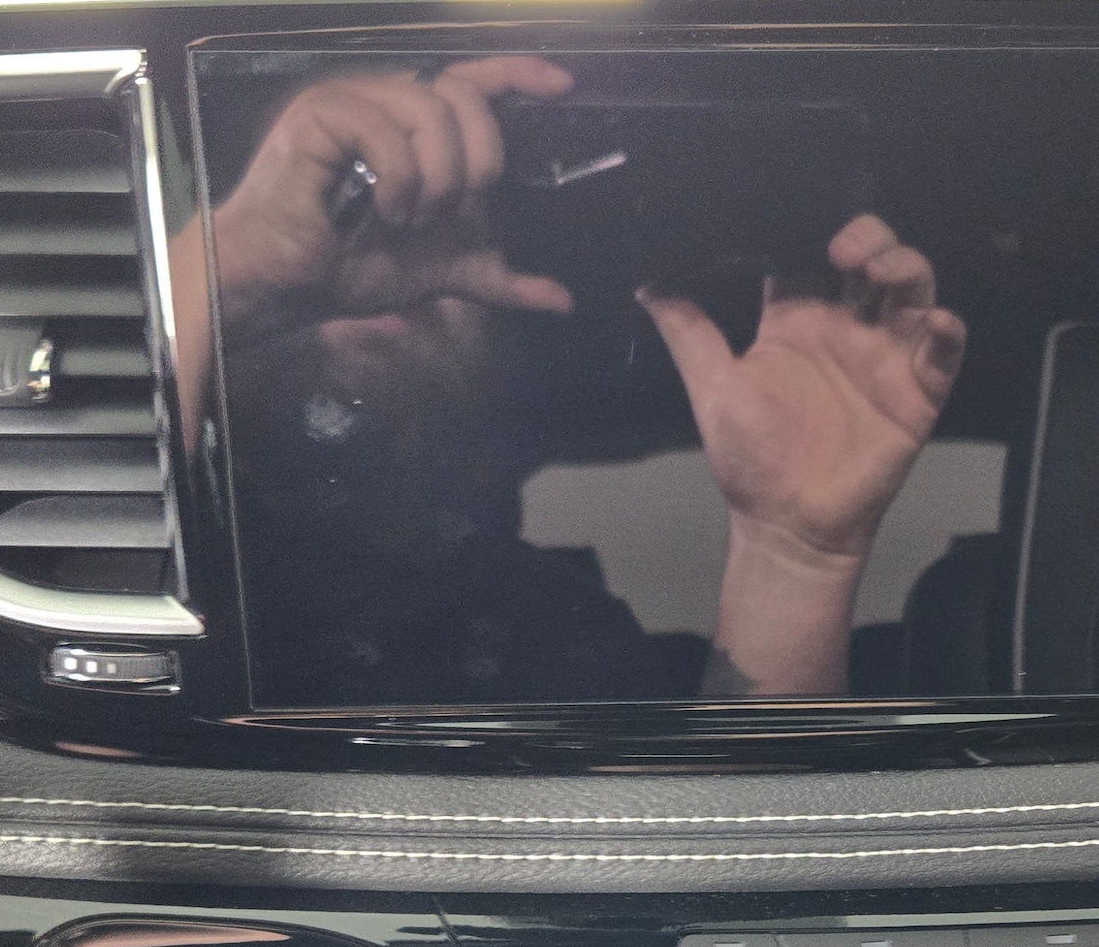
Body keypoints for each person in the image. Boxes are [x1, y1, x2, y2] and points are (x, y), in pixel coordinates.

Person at [206, 55, 967, 701]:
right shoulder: (184, 562)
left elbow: (712, 830)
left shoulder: (560, 637)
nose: (389, 264)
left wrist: (791, 555)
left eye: (445, 237)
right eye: (344, 204)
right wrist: (223, 278)